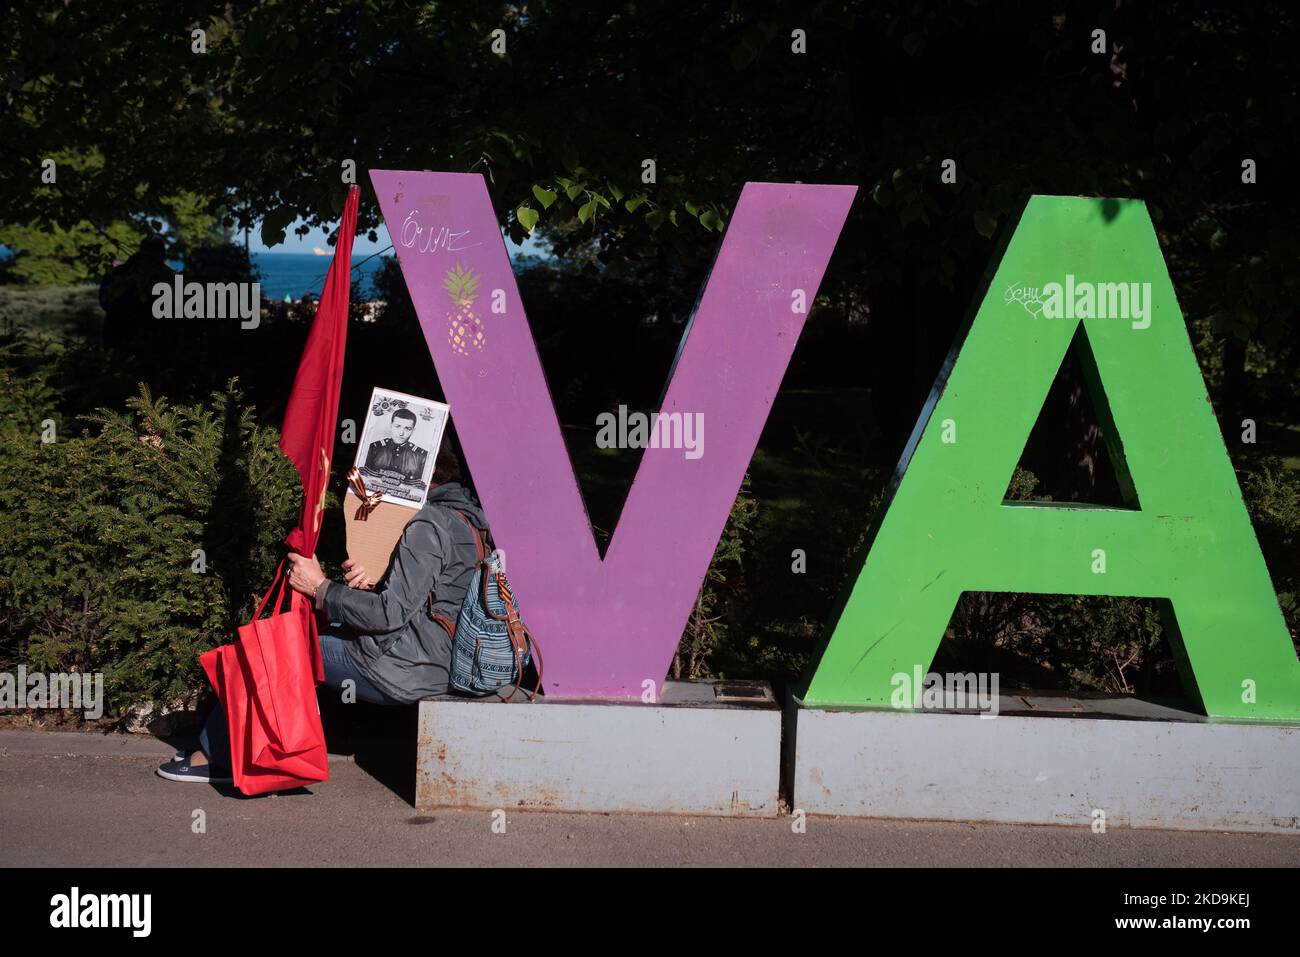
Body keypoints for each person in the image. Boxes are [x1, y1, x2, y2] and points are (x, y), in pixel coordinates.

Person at [157, 444, 515, 785]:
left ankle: (216, 756)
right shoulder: (468, 520)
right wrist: (379, 577)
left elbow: (389, 614)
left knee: (277, 649)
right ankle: (252, 749)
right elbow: (435, 596)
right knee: (309, 636)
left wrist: (320, 588)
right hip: (440, 661)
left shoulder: (429, 523)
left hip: (404, 668)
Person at [363, 407, 428, 482]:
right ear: (391, 426)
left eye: (407, 428)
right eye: (397, 426)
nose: (401, 433)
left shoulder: (422, 456)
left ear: (413, 430)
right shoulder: (373, 448)